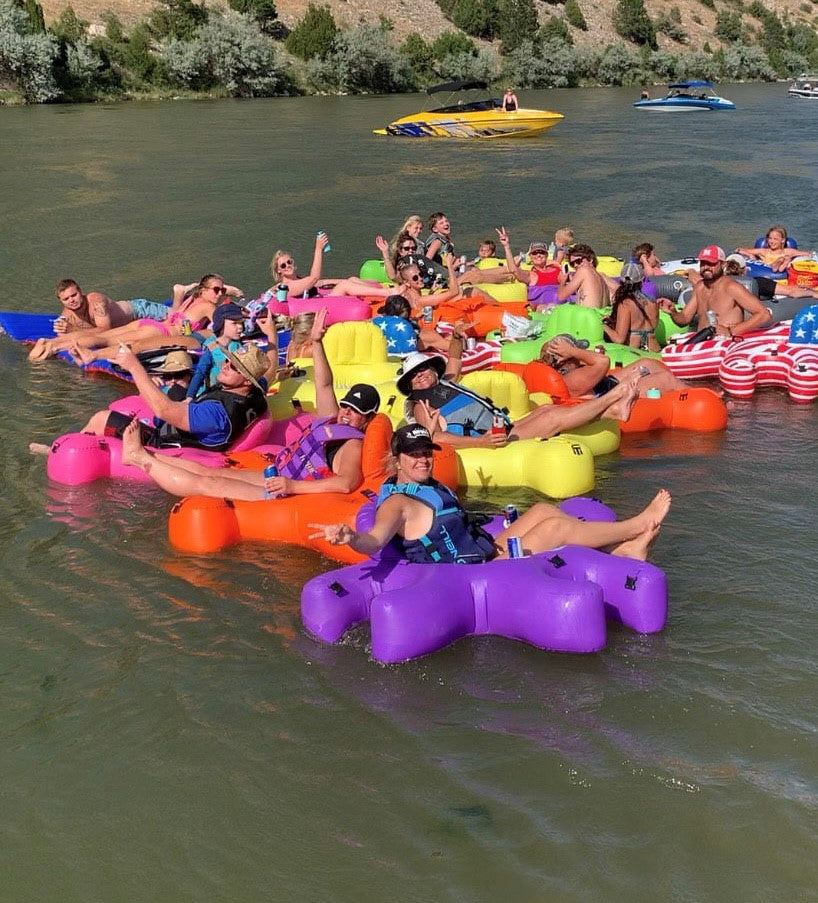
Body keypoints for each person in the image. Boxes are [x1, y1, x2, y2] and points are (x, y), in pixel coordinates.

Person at [94, 309, 382, 500]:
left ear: (367, 419)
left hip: (289, 487)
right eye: (346, 406)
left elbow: (346, 483)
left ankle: (142, 459)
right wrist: (317, 343)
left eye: (355, 412)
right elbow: (324, 385)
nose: (345, 413)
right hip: (281, 472)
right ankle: (141, 454)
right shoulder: (330, 419)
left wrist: (294, 487)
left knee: (210, 485)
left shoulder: (352, 444)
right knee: (211, 473)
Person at [309, 424, 672, 563]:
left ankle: (625, 551)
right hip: (469, 571)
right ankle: (634, 526)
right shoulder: (397, 502)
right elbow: (374, 540)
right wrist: (350, 537)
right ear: (397, 459)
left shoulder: (425, 485)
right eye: (414, 455)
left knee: (545, 510)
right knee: (556, 531)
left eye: (426, 453)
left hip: (482, 549)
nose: (423, 461)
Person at [30, 342, 269, 459]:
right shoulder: (254, 395)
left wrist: (135, 367)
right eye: (228, 361)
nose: (226, 366)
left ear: (247, 380)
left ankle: (56, 452)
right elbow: (268, 374)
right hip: (195, 422)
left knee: (101, 418)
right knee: (177, 387)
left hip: (164, 443)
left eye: (235, 367)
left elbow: (164, 411)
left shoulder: (216, 414)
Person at [396, 348, 641, 449]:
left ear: (432, 369)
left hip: (501, 428)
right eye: (413, 376)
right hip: (490, 442)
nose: (419, 376)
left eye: (423, 369)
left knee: (545, 410)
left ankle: (613, 411)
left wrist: (458, 336)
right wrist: (482, 442)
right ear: (409, 384)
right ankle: (615, 396)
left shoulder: (445, 382)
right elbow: (434, 436)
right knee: (553, 417)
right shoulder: (421, 405)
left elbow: (455, 361)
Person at [32, 275, 227, 363]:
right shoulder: (208, 306)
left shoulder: (191, 301)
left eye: (222, 290)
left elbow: (177, 315)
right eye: (217, 290)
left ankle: (52, 344)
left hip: (148, 323)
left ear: (80, 292)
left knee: (107, 338)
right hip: (154, 324)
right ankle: (56, 346)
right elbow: (221, 328)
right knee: (110, 339)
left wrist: (66, 335)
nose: (219, 294)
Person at [28, 279, 175, 361]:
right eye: (66, 299)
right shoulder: (67, 314)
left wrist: (73, 329)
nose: (71, 301)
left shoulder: (96, 301)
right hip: (129, 327)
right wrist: (62, 334)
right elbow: (77, 335)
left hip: (141, 311)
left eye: (74, 295)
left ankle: (179, 293)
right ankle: (47, 344)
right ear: (61, 301)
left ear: (81, 292)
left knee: (179, 316)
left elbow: (106, 330)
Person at [660, 245, 772, 338]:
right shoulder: (700, 287)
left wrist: (730, 331)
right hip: (702, 341)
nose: (706, 267)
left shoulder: (731, 287)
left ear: (722, 264)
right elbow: (684, 319)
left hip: (725, 343)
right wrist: (672, 311)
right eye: (703, 263)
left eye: (711, 263)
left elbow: (764, 314)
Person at [539, 335, 688, 398]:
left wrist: (574, 353)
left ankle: (678, 393)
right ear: (564, 359)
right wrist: (572, 351)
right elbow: (604, 362)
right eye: (575, 352)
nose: (580, 354)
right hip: (611, 396)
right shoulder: (572, 379)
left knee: (647, 363)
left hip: (605, 387)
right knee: (666, 379)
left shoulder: (567, 371)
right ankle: (693, 396)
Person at [603, 262, 661, 352]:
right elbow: (653, 325)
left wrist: (603, 326)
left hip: (636, 353)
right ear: (642, 281)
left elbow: (619, 339)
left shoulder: (625, 304)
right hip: (655, 350)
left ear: (621, 281)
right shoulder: (652, 301)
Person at [496, 228, 561, 304]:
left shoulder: (556, 269)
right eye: (535, 253)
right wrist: (506, 246)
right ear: (530, 257)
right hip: (545, 306)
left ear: (546, 255)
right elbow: (513, 270)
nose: (538, 255)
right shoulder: (531, 275)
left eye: (541, 252)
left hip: (562, 300)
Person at [723, 253, 818, 301]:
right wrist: (813, 293)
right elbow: (792, 292)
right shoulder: (758, 282)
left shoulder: (717, 283)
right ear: (746, 269)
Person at [736, 225, 812, 272]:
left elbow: (807, 254)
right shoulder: (764, 251)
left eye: (775, 239)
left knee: (784, 259)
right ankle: (780, 262)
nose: (772, 241)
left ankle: (783, 262)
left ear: (782, 240)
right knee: (781, 260)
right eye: (770, 238)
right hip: (767, 271)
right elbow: (739, 249)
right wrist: (749, 255)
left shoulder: (788, 252)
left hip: (781, 274)